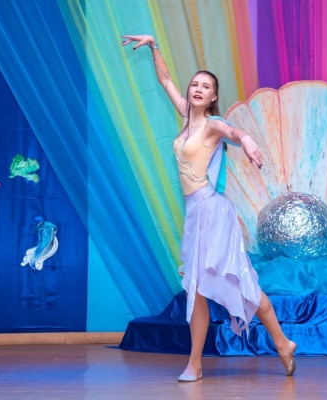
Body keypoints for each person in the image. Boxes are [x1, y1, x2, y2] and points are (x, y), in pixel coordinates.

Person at [121, 34, 296, 382]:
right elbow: (165, 80)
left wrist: (247, 140)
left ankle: (275, 344)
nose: (198, 89)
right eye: (195, 84)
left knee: (235, 282)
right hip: (195, 214)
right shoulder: (187, 117)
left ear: (214, 96)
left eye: (206, 86)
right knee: (196, 289)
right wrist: (154, 45)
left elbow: (234, 132)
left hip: (213, 212)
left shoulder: (212, 125)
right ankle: (206, 361)